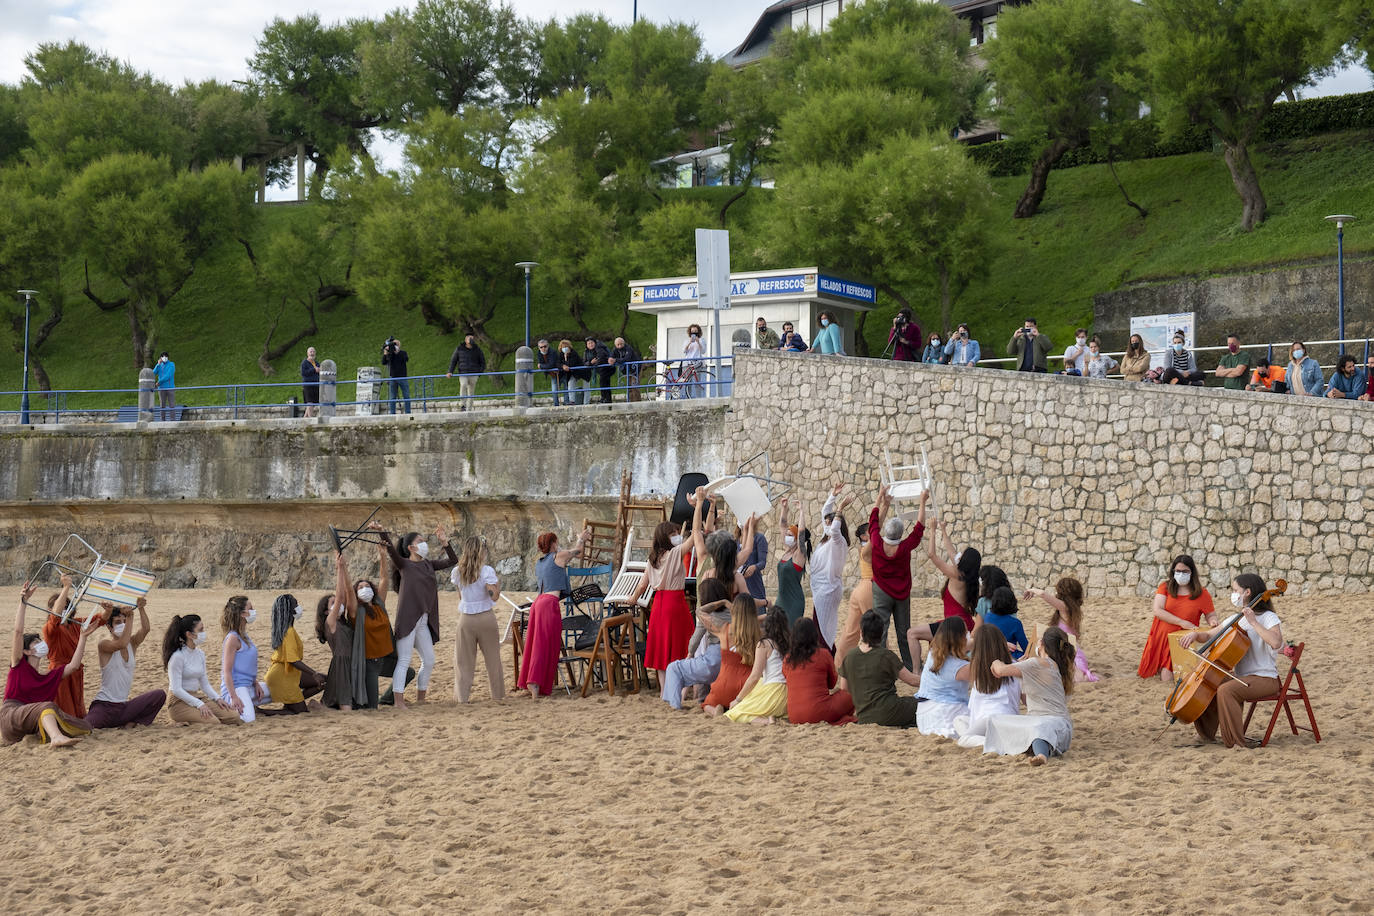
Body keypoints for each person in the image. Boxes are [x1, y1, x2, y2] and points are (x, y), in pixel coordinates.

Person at [1178, 573, 1284, 749]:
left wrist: (1253, 622)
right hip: (1243, 677)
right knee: (1210, 681)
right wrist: (1196, 634)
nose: (1233, 594)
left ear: (1247, 592)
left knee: (1227, 690)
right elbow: (1209, 635)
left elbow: (1276, 642)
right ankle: (1207, 735)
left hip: (1265, 679)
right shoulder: (1235, 619)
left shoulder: (1268, 617)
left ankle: (1235, 741)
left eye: (1236, 590)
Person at [376, 523, 457, 709]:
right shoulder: (404, 565)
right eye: (420, 541)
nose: (424, 544)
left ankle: (421, 698)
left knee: (429, 660)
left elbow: (452, 560)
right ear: (411, 547)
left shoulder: (428, 564)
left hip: (423, 620)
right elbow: (390, 550)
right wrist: (381, 530)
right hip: (407, 620)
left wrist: (445, 542)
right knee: (404, 660)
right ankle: (398, 701)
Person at [3, 582, 93, 746]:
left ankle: (49, 732)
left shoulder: (46, 676)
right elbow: (17, 632)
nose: (41, 643)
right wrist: (23, 602)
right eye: (36, 642)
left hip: (32, 720)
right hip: (12, 715)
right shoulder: (18, 666)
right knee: (47, 706)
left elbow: (73, 666)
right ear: (27, 651)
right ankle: (57, 738)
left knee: (84, 725)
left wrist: (83, 638)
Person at [984, 626, 1076, 764]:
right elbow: (1031, 699)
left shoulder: (1037, 663)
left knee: (1039, 728)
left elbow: (1000, 670)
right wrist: (1022, 667)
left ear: (1042, 644)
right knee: (996, 720)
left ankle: (1041, 755)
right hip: (1061, 728)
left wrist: (996, 661)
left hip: (1052, 724)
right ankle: (1035, 748)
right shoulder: (1058, 666)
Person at [630, 512, 695, 681]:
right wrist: (699, 506)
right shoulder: (674, 554)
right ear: (665, 537)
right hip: (675, 603)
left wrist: (633, 598)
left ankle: (665, 692)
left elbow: (642, 585)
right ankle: (678, 689)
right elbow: (695, 536)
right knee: (684, 645)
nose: (677, 536)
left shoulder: (653, 559)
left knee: (662, 651)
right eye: (673, 534)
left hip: (658, 604)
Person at [869, 485, 927, 671]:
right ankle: (910, 665)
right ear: (900, 534)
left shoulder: (877, 542)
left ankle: (879, 666)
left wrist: (880, 498)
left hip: (881, 591)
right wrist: (922, 502)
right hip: (901, 593)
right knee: (904, 631)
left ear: (887, 532)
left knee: (881, 630)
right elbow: (919, 529)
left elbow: (873, 521)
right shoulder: (904, 548)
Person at [86, 598, 166, 729]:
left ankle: (131, 722)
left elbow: (145, 629)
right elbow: (121, 643)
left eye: (124, 621)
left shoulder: (132, 644)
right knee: (86, 727)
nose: (122, 625)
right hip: (104, 706)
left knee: (159, 695)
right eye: (118, 622)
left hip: (122, 707)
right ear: (109, 626)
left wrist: (140, 608)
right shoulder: (104, 645)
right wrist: (130, 618)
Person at [907, 519, 980, 663]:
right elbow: (952, 552)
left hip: (954, 626)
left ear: (964, 560)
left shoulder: (957, 575)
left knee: (911, 633)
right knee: (930, 643)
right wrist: (944, 530)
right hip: (963, 623)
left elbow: (932, 555)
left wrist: (933, 530)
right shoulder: (970, 576)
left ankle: (916, 672)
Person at [1138, 554, 1218, 682]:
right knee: (1156, 672)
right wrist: (1181, 622)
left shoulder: (1202, 593)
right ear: (1173, 572)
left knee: (1167, 677)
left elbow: (1211, 614)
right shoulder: (1165, 587)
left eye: (1185, 571)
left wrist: (1213, 621)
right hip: (1162, 637)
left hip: (1182, 639)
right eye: (1178, 571)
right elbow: (1158, 610)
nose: (1181, 574)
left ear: (1192, 572)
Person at [837, 610, 922, 727]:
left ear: (861, 632)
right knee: (922, 704)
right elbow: (912, 680)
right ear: (882, 633)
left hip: (863, 716)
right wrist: (936, 681)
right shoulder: (886, 656)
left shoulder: (849, 656)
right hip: (889, 711)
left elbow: (844, 690)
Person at [40, 574, 106, 719]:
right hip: (59, 674)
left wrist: (108, 609)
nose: (64, 608)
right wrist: (66, 587)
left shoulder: (75, 624)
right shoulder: (50, 629)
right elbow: (55, 617)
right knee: (65, 713)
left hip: (75, 672)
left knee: (78, 713)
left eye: (66, 606)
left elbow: (100, 619)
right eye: (60, 605)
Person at [451, 536, 507, 703]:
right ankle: (497, 696)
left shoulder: (457, 572)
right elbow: (494, 596)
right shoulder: (486, 571)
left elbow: (460, 596)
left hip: (466, 619)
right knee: (493, 659)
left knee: (463, 661)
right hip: (485, 618)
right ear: (481, 551)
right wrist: (498, 587)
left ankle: (462, 698)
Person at [662, 580, 732, 710]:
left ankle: (674, 705)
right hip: (732, 660)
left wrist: (690, 653)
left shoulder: (707, 616)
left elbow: (695, 639)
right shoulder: (733, 612)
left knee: (674, 668)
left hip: (714, 661)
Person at [952, 622, 1022, 750]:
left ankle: (991, 742)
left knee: (964, 739)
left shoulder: (977, 668)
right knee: (959, 720)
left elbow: (956, 649)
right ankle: (992, 738)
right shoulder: (1014, 665)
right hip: (1007, 717)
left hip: (990, 718)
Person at [163, 614, 241, 725]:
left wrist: (217, 699)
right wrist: (199, 705)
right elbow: (176, 689)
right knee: (212, 722)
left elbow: (204, 684)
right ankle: (179, 721)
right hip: (178, 702)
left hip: (196, 696)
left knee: (233, 716)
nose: (203, 633)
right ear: (189, 634)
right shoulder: (177, 657)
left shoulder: (200, 654)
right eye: (201, 630)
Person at [723, 607, 791, 723]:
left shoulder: (764, 644)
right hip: (787, 695)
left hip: (773, 693)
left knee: (735, 714)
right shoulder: (789, 642)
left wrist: (738, 699)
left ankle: (767, 721)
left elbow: (754, 676)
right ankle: (772, 718)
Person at [318, 552, 368, 711]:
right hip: (340, 665)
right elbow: (340, 596)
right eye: (332, 603)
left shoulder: (343, 621)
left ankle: (322, 705)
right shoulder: (330, 622)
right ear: (327, 611)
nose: (337, 604)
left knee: (353, 705)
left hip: (352, 662)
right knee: (346, 708)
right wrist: (339, 567)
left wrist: (344, 567)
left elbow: (345, 596)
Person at [783, 617, 855, 725]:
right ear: (814, 635)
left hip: (794, 716)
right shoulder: (823, 654)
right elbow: (832, 683)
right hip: (818, 712)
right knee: (849, 696)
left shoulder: (787, 659)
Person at [219, 595, 280, 722]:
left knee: (280, 689)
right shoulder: (232, 638)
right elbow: (227, 672)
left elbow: (245, 667)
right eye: (250, 608)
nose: (253, 611)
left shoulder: (244, 635)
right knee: (248, 719)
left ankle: (247, 704)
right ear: (242, 614)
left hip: (249, 686)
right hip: (236, 688)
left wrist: (255, 683)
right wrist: (234, 696)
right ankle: (234, 704)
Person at [808, 484, 855, 649]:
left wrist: (840, 508)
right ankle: (825, 654)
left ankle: (828, 655)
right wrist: (833, 496)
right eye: (826, 522)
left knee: (823, 629)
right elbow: (824, 513)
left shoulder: (838, 541)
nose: (826, 525)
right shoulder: (825, 537)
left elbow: (834, 529)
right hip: (820, 588)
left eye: (830, 522)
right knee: (819, 626)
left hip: (828, 589)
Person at [1025, 577, 1098, 681]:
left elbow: (1043, 594)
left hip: (1069, 652)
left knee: (1076, 677)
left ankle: (1086, 674)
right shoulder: (1073, 609)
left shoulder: (1064, 607)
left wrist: (1031, 590)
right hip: (1071, 649)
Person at [702, 595, 763, 715]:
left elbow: (700, 611)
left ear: (734, 610)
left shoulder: (723, 629)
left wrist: (722, 602)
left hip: (724, 684)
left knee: (707, 704)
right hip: (747, 687)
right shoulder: (759, 632)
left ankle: (714, 711)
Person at [266, 594, 325, 713]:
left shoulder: (287, 630)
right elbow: (293, 660)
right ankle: (264, 711)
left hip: (289, 673)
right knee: (300, 711)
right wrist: (314, 673)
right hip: (282, 675)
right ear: (289, 610)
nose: (298, 607)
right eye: (296, 605)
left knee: (324, 680)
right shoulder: (288, 632)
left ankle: (295, 702)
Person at [915, 616, 971, 737]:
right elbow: (985, 673)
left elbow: (968, 645)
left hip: (924, 716)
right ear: (960, 639)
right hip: (944, 717)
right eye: (966, 632)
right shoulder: (958, 667)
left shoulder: (934, 653)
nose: (968, 635)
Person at [834, 522, 872, 666]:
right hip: (868, 588)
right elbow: (875, 537)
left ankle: (839, 663)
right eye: (871, 530)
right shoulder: (867, 548)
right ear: (863, 536)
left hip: (859, 589)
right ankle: (881, 662)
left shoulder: (864, 547)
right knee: (876, 628)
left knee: (851, 630)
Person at [774, 497, 807, 626]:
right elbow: (782, 525)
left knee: (790, 635)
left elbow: (801, 534)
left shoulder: (799, 554)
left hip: (794, 602)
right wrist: (784, 509)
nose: (786, 537)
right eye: (786, 535)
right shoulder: (787, 551)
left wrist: (802, 511)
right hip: (781, 600)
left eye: (790, 535)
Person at [982, 586, 1028, 659]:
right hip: (1008, 657)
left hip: (989, 655)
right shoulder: (1015, 623)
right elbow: (1026, 648)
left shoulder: (987, 617)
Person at [735, 515, 769, 609]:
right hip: (738, 585)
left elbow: (762, 562)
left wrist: (754, 567)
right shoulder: (735, 541)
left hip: (754, 584)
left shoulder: (759, 538)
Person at [447, 333, 486, 411]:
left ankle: (469, 408)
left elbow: (483, 362)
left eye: (472, 338)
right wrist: (450, 371)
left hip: (474, 373)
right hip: (463, 373)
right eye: (469, 338)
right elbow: (453, 361)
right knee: (463, 385)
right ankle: (463, 405)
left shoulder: (477, 350)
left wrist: (479, 373)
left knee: (471, 391)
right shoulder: (459, 349)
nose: (471, 339)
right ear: (465, 340)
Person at [381, 336, 411, 414]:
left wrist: (397, 352)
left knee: (406, 396)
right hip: (393, 378)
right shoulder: (390, 355)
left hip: (402, 377)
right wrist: (385, 354)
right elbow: (384, 362)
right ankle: (392, 413)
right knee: (392, 397)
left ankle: (408, 412)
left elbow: (405, 359)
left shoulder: (403, 353)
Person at [556, 339, 587, 406]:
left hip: (577, 372)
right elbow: (558, 363)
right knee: (567, 385)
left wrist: (566, 360)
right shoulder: (561, 354)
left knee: (571, 383)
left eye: (566, 347)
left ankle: (572, 401)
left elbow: (572, 364)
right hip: (568, 373)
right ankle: (568, 401)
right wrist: (563, 366)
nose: (565, 349)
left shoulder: (574, 353)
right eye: (563, 347)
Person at [610, 337, 642, 402]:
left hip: (635, 369)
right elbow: (611, 357)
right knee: (629, 387)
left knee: (634, 386)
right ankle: (630, 402)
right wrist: (610, 360)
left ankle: (637, 402)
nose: (620, 346)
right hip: (626, 370)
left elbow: (627, 358)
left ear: (624, 343)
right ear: (615, 345)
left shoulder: (628, 348)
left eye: (621, 344)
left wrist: (616, 360)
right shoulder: (615, 350)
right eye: (618, 345)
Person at [584, 336, 614, 404]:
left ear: (595, 343)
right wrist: (590, 363)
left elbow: (601, 358)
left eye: (592, 343)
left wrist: (594, 364)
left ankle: (604, 398)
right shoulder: (586, 352)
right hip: (600, 369)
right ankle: (607, 399)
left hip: (607, 368)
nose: (590, 344)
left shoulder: (599, 348)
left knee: (603, 382)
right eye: (588, 343)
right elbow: (584, 362)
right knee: (605, 383)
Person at [682, 324, 706, 398]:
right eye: (692, 331)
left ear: (698, 332)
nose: (694, 333)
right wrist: (690, 342)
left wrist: (698, 342)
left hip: (697, 363)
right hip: (688, 363)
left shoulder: (702, 340)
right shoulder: (687, 341)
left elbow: (703, 351)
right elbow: (684, 351)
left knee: (697, 382)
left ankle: (699, 398)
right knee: (688, 382)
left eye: (695, 331)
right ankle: (688, 397)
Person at [536, 339, 561, 405]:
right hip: (552, 374)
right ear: (539, 348)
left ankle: (567, 403)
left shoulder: (552, 352)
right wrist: (543, 366)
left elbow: (551, 364)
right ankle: (556, 405)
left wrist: (541, 366)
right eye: (541, 347)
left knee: (565, 389)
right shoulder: (539, 353)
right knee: (554, 390)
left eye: (545, 346)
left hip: (560, 372)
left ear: (548, 346)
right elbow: (545, 364)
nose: (543, 348)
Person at [153, 351, 176, 420]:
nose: (165, 357)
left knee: (171, 405)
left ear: (168, 357)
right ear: (160, 358)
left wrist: (159, 382)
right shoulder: (160, 365)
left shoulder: (172, 364)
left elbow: (168, 375)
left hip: (170, 388)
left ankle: (173, 421)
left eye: (166, 356)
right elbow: (153, 373)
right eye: (163, 356)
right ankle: (162, 420)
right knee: (162, 406)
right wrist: (157, 365)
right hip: (161, 388)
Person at [299, 346, 321, 418]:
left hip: (316, 385)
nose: (312, 353)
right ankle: (311, 420)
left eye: (313, 352)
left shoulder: (317, 363)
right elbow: (303, 373)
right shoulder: (304, 363)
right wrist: (314, 370)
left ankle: (304, 418)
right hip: (308, 385)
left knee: (313, 403)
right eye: (311, 352)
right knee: (310, 403)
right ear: (307, 353)